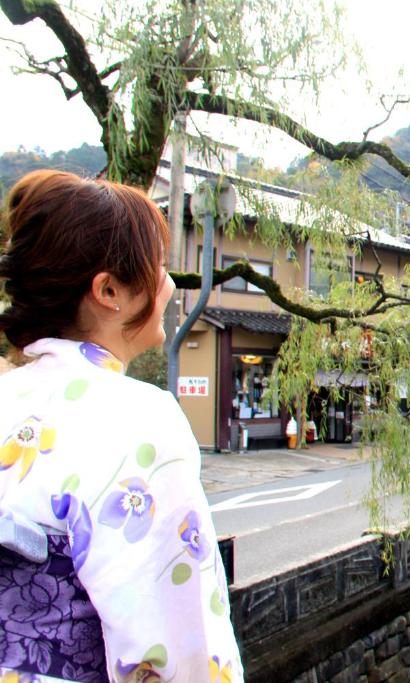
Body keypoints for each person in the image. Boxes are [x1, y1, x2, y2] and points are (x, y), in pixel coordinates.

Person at [0, 171, 241, 681]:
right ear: (109, 290)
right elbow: (178, 648)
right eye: (155, 266)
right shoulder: (137, 419)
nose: (168, 283)